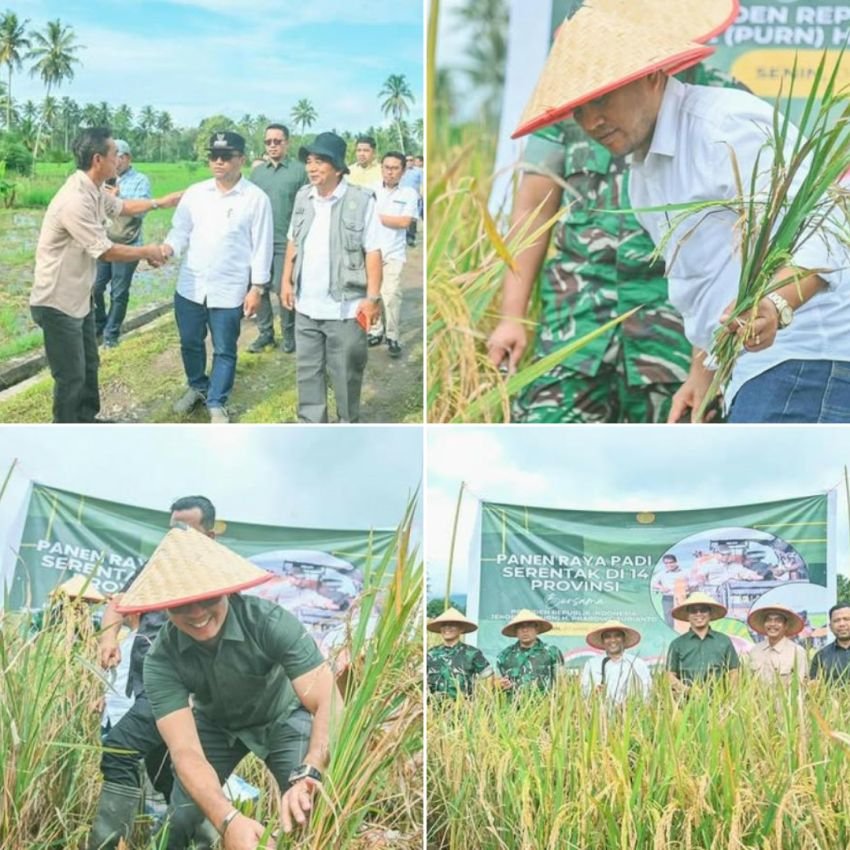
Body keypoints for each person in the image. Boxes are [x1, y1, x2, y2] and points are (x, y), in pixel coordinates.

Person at [513, 0, 850, 423]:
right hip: (750, 367)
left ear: (652, 75)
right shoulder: (643, 179)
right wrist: (702, 372)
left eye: (603, 97)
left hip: (807, 359)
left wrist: (777, 303)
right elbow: (701, 286)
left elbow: (828, 224)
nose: (592, 121)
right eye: (578, 109)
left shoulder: (724, 127)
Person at [488, 63, 743, 423]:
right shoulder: (566, 96)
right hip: (576, 322)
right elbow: (532, 211)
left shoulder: (717, 97)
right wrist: (511, 318)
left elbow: (742, 230)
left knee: (674, 452)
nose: (592, 122)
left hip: (674, 332)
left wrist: (709, 356)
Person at [115, 525, 342, 849]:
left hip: (282, 718)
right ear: (165, 606)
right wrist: (228, 820)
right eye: (181, 604)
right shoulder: (161, 660)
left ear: (225, 589)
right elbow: (186, 753)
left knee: (309, 808)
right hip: (216, 725)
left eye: (206, 598)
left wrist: (312, 770)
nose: (196, 613)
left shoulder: (269, 622)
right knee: (181, 818)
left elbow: (327, 700)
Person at [89, 496, 220, 850]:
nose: (176, 537)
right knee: (167, 774)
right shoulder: (155, 567)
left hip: (182, 690)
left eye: (186, 530)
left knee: (120, 748)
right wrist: (108, 640)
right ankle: (202, 842)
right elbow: (118, 605)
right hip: (145, 683)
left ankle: (105, 844)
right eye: (172, 530)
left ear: (208, 536)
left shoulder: (219, 574)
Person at [29, 127, 181, 423]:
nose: (119, 161)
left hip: (79, 297)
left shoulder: (95, 189)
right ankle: (66, 431)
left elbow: (122, 207)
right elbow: (105, 250)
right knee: (70, 376)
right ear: (98, 159)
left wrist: (162, 202)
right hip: (57, 302)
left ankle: (87, 420)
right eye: (115, 156)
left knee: (89, 365)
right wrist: (147, 251)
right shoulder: (74, 200)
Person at [163, 131, 274, 424]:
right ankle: (197, 386)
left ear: (241, 159)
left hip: (230, 288)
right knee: (190, 341)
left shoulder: (255, 199)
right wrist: (167, 249)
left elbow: (262, 246)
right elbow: (180, 231)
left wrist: (257, 288)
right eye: (214, 156)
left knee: (225, 348)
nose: (219, 162)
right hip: (191, 285)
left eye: (226, 156)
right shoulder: (195, 193)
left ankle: (216, 401)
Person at [281, 131, 383, 423]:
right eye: (309, 162)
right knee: (308, 373)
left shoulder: (361, 201)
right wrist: (286, 280)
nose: (312, 168)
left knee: (346, 375)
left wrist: (372, 299)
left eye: (320, 162)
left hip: (346, 308)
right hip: (306, 307)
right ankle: (313, 429)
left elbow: (373, 252)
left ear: (338, 167)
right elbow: (293, 240)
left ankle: (347, 426)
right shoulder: (304, 197)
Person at [247, 123, 308, 354]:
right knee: (259, 286)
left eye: (277, 141)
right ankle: (265, 333)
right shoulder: (258, 173)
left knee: (285, 288)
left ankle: (289, 334)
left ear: (287, 143)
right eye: (268, 142)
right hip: (260, 241)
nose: (272, 145)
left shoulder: (299, 171)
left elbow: (306, 207)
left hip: (287, 241)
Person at [93, 139, 152, 348]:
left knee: (119, 291)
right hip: (105, 243)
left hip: (128, 243)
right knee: (95, 287)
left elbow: (143, 210)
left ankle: (111, 333)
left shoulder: (140, 180)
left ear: (127, 158)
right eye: (111, 157)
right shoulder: (102, 179)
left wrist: (118, 199)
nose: (114, 162)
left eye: (118, 157)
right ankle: (99, 324)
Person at [369, 151, 419, 357]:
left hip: (394, 253)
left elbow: (404, 222)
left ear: (403, 171)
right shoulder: (370, 191)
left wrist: (376, 216)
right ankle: (375, 330)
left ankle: (393, 336)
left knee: (391, 295)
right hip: (372, 252)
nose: (390, 172)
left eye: (395, 168)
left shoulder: (408, 194)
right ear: (381, 168)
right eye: (386, 168)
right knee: (373, 294)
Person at [666, 592, 739, 687]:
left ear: (710, 613)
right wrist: (687, 691)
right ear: (688, 615)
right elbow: (669, 675)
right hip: (687, 700)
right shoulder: (677, 644)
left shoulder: (724, 641)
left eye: (703, 610)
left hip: (720, 699)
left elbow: (734, 671)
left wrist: (731, 697)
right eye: (693, 611)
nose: (698, 614)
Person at [426, 607, 493, 699]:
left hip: (464, 708)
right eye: (444, 625)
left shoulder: (472, 653)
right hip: (434, 709)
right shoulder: (431, 654)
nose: (447, 628)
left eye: (452, 625)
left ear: (461, 629)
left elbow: (488, 676)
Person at [580, 620, 651, 704]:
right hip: (600, 714)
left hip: (631, 714)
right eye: (607, 637)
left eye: (617, 636)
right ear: (603, 641)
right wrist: (594, 693)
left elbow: (647, 693)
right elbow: (584, 694)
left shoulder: (637, 664)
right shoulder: (592, 664)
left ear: (624, 639)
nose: (613, 640)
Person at [496, 609, 563, 693]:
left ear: (537, 629)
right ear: (516, 631)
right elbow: (497, 684)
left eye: (529, 626)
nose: (525, 630)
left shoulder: (552, 652)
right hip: (513, 705)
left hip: (545, 704)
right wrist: (500, 685)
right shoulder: (504, 655)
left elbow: (562, 684)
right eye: (520, 627)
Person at [744, 604, 808, 685]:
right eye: (768, 620)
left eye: (778, 621)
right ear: (764, 624)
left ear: (786, 625)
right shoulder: (755, 651)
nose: (772, 624)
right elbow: (748, 685)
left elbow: (800, 686)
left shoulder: (797, 652)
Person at [810, 602, 850, 684]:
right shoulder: (821, 656)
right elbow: (814, 688)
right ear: (830, 627)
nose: (842, 624)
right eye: (836, 621)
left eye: (846, 619)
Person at [652, 554, 690, 626]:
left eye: (671, 562)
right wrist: (661, 587)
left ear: (676, 562)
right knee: (669, 618)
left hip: (683, 598)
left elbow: (694, 582)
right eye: (666, 563)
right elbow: (653, 583)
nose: (669, 565)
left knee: (685, 618)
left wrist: (688, 586)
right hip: (668, 598)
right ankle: (671, 634)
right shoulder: (662, 574)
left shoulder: (685, 572)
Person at [400, 153, 423, 247]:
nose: (409, 162)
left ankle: (411, 237)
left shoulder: (418, 171)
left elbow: (422, 184)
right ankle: (402, 237)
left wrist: (422, 194)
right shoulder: (401, 171)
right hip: (401, 197)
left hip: (414, 198)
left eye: (411, 160)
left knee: (413, 218)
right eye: (407, 160)